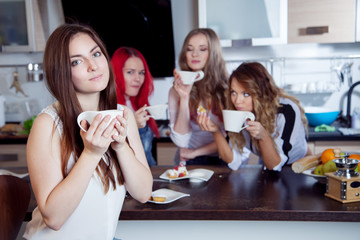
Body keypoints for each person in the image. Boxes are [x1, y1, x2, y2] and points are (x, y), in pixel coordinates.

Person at [23, 23, 153, 239]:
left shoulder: (123, 116)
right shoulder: (48, 124)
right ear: (62, 72)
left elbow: (143, 192)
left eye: (96, 54)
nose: (93, 66)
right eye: (76, 61)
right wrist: (91, 153)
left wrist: (121, 147)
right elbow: (53, 219)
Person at [198, 62, 311, 171]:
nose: (237, 101)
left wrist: (263, 137)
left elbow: (275, 164)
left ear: (261, 92)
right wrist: (216, 131)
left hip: (299, 166)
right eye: (233, 92)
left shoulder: (286, 110)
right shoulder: (237, 112)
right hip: (269, 164)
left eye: (246, 94)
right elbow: (233, 159)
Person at [168, 28, 228, 165]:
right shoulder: (175, 90)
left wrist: (196, 152)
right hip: (187, 159)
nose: (195, 54)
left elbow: (231, 138)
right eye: (190, 49)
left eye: (202, 49)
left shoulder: (227, 89)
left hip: (220, 157)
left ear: (213, 53)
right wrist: (184, 98)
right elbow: (181, 141)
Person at [111, 47, 159, 167]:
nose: (138, 79)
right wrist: (132, 126)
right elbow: (110, 156)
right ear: (116, 72)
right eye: (130, 72)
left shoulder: (138, 103)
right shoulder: (109, 108)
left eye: (141, 73)